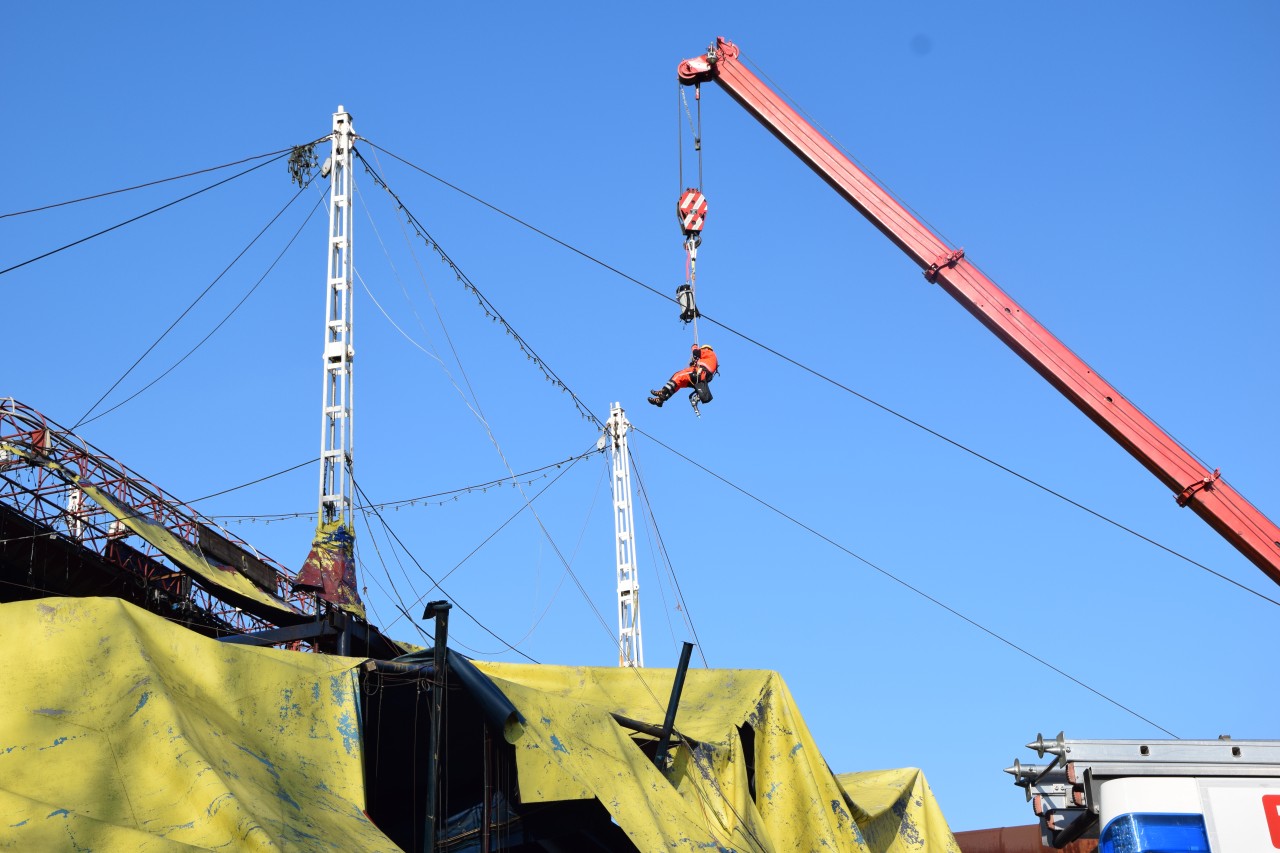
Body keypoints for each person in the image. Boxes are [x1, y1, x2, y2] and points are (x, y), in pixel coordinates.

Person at [648, 344, 718, 407]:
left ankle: (663, 392)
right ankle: (660, 400)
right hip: (699, 378)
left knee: (678, 375)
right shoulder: (710, 360)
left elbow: (696, 352)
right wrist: (694, 363)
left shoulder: (709, 352)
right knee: (678, 384)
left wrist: (694, 347)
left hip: (699, 374)